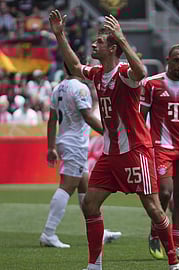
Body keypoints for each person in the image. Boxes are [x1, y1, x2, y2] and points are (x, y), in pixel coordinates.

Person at [49, 10, 179, 270]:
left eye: (99, 42)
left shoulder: (124, 73)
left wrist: (122, 38)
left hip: (136, 151)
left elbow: (141, 71)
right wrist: (60, 35)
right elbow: (75, 67)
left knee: (154, 210)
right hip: (110, 154)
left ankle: (174, 262)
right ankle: (94, 264)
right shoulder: (98, 74)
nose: (94, 45)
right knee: (90, 204)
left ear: (112, 48)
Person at [40, 65, 121, 249]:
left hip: (65, 140)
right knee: (67, 186)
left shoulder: (58, 87)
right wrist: (108, 132)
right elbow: (87, 117)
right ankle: (48, 233)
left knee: (86, 188)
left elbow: (52, 120)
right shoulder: (80, 88)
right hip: (75, 143)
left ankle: (97, 232)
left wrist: (51, 146)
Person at [140, 44, 179, 262]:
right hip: (160, 147)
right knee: (165, 193)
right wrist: (141, 143)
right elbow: (141, 116)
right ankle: (155, 231)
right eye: (176, 60)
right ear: (168, 60)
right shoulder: (152, 84)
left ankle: (176, 246)